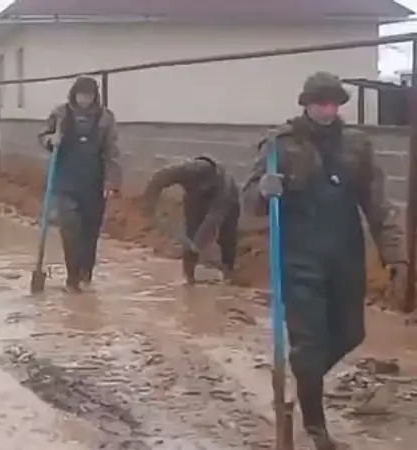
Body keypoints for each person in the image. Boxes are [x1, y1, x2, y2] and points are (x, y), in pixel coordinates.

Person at [243, 71, 406, 450]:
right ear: (306, 104)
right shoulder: (279, 144)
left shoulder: (357, 146)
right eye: (320, 102)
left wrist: (395, 254)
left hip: (345, 255)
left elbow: (378, 206)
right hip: (299, 258)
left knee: (352, 333)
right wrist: (265, 192)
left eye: (333, 103)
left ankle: (304, 384)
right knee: (309, 342)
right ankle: (316, 430)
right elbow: (249, 202)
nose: (326, 109)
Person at [37, 76, 121, 292]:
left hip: (93, 182)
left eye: (89, 95)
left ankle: (85, 275)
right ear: (74, 94)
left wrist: (112, 181)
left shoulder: (105, 118)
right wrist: (50, 140)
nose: (85, 100)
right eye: (81, 95)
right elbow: (42, 136)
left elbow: (112, 152)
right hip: (65, 182)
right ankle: (72, 278)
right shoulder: (60, 114)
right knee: (70, 228)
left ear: (95, 96)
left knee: (90, 231)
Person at [143, 156, 240, 284]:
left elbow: (212, 221)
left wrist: (195, 246)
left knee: (227, 237)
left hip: (226, 205)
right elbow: (158, 180)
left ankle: (228, 272)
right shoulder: (184, 171)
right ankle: (189, 279)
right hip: (194, 200)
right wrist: (149, 208)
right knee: (191, 231)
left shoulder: (225, 189)